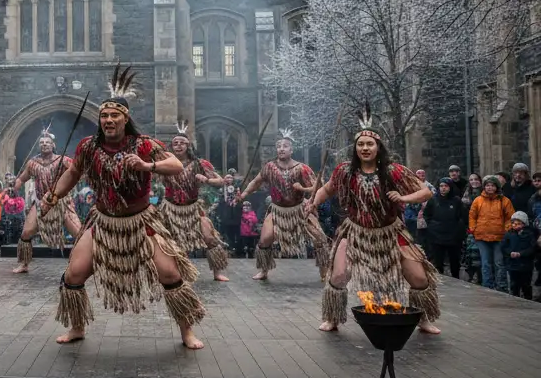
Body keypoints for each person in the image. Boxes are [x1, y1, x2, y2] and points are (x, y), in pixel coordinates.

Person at [40, 65, 206, 349]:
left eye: (113, 115)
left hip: (140, 221)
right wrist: (53, 195)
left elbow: (175, 165)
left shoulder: (143, 145)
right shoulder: (88, 147)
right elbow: (72, 173)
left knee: (170, 274)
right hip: (102, 222)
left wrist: (147, 165)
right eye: (104, 115)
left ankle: (187, 332)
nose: (107, 120)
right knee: (74, 274)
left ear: (125, 118)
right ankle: (77, 328)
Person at [310, 108, 440, 335]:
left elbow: (425, 192)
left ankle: (424, 319)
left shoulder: (394, 171)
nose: (365, 148)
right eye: (361, 145)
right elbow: (327, 189)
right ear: (355, 149)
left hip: (390, 232)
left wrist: (403, 198)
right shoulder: (344, 171)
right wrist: (312, 203)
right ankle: (332, 318)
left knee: (418, 277)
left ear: (378, 147)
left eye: (370, 144)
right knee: (339, 275)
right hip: (355, 232)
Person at [238, 130, 329, 282]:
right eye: (279, 146)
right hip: (277, 211)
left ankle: (324, 273)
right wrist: (243, 194)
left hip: (299, 209)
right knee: (265, 239)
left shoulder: (302, 168)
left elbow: (318, 188)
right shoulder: (269, 167)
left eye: (285, 146)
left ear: (291, 150)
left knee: (319, 238)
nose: (281, 149)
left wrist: (302, 189)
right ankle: (264, 271)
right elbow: (256, 182)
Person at [158, 122, 229, 280]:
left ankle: (217, 272)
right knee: (171, 242)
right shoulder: (164, 163)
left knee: (209, 237)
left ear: (188, 145)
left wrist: (207, 180)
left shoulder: (199, 164)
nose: (178, 146)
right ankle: (176, 272)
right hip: (170, 209)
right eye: (175, 143)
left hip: (193, 209)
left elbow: (220, 181)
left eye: (182, 143)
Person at [11, 126, 82, 274]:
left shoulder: (63, 160)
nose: (44, 144)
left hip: (61, 202)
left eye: (47, 142)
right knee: (26, 233)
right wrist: (13, 186)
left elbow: (77, 173)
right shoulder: (32, 163)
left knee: (79, 233)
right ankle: (24, 264)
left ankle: (85, 263)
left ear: (53, 145)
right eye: (42, 142)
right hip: (40, 203)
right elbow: (21, 179)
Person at [468, 176, 513, 292]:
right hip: (481, 236)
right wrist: (473, 228)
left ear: (497, 187)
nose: (490, 188)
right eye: (487, 185)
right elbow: (472, 215)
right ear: (484, 187)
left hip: (499, 236)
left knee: (499, 263)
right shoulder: (478, 200)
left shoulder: (504, 201)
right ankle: (487, 286)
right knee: (486, 263)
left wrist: (507, 229)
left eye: (492, 185)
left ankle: (501, 286)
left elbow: (510, 217)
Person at [422, 178, 467, 279]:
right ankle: (440, 279)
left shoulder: (456, 201)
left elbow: (463, 216)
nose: (443, 188)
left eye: (446, 186)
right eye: (441, 186)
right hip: (436, 235)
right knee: (438, 261)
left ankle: (456, 280)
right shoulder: (433, 200)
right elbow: (426, 214)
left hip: (453, 235)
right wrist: (432, 225)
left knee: (454, 261)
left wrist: (459, 228)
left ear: (450, 187)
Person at [501, 211, 536, 300]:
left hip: (526, 265)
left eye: (518, 223)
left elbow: (532, 248)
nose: (515, 225)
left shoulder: (529, 234)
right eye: (513, 223)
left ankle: (528, 300)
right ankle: (514, 299)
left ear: (524, 224)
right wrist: (510, 253)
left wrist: (521, 254)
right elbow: (504, 247)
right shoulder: (509, 234)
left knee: (526, 285)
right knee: (514, 285)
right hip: (513, 265)